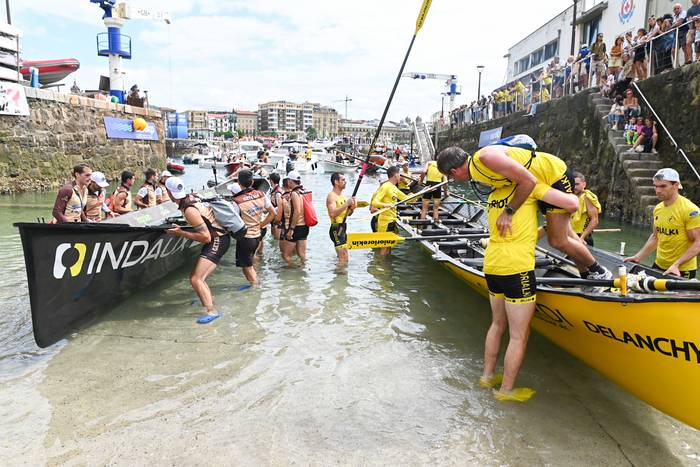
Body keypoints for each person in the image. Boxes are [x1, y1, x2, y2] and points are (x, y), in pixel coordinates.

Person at [436, 141, 612, 281]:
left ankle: (599, 270)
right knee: (567, 234)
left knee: (557, 240)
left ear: (453, 171)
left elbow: (528, 181)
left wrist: (508, 212)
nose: (453, 180)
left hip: (554, 176)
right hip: (542, 182)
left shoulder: (486, 158)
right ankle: (587, 276)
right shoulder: (479, 172)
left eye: (451, 177)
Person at [165, 176, 229, 324]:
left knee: (196, 279)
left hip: (218, 240)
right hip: (221, 238)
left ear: (169, 192)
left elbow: (205, 237)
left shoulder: (189, 209)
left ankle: (212, 311)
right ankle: (208, 302)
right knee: (198, 277)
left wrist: (180, 232)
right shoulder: (190, 199)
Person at [625, 168, 700, 278]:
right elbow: (656, 237)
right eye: (656, 186)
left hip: (681, 269)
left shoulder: (690, 210)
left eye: (663, 186)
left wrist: (676, 264)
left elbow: (698, 243)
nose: (658, 190)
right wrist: (638, 257)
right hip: (659, 265)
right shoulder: (658, 208)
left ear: (676, 185)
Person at [232, 169, 276, 286]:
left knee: (247, 267)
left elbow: (233, 222)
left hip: (246, 238)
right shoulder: (261, 194)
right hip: (258, 235)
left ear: (239, 183)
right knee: (249, 264)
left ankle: (256, 288)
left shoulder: (237, 201)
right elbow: (273, 213)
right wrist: (261, 225)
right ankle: (255, 285)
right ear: (252, 182)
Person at [371, 166, 409, 256]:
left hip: (392, 220)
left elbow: (407, 198)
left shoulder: (394, 188)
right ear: (396, 175)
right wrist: (385, 205)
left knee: (389, 246)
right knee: (384, 247)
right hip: (384, 221)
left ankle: (386, 267)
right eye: (399, 174)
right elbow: (374, 202)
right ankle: (381, 266)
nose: (400, 176)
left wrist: (423, 192)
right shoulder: (385, 186)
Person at [326, 172, 356, 266]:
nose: (345, 181)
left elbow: (348, 214)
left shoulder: (342, 196)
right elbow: (332, 213)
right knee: (344, 258)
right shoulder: (331, 196)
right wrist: (346, 204)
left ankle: (339, 275)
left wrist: (352, 208)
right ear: (336, 182)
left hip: (343, 227)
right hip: (336, 229)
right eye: (343, 180)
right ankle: (340, 278)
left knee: (342, 258)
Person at [282, 171, 309, 264]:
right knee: (302, 255)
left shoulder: (294, 193)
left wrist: (291, 229)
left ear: (290, 181)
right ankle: (302, 272)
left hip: (296, 226)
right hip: (305, 226)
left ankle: (294, 270)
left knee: (285, 255)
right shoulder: (304, 191)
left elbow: (297, 211)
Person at [570, 172, 601, 246]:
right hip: (570, 235)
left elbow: (595, 220)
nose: (574, 187)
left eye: (577, 184)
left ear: (584, 184)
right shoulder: (571, 196)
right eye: (572, 184)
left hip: (582, 238)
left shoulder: (587, 197)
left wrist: (582, 238)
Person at [268, 172, 283, 240]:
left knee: (277, 238)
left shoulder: (278, 192)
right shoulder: (275, 190)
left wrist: (271, 210)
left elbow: (280, 206)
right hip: (274, 216)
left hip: (277, 218)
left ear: (271, 181)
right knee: (274, 237)